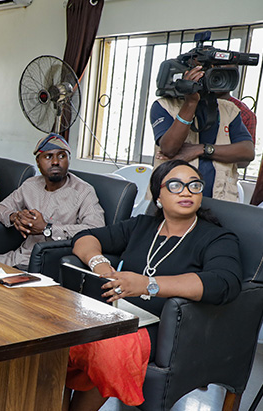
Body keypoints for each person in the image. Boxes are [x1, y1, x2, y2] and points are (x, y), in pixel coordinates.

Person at [65, 159, 242, 410]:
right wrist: (102, 267)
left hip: (167, 327)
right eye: (175, 185)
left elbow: (224, 282)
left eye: (194, 185)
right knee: (57, 338)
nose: (186, 191)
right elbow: (85, 238)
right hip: (118, 313)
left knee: (105, 346)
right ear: (158, 194)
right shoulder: (143, 226)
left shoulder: (216, 237)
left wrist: (150, 285)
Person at [0, 134, 105, 269]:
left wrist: (48, 229)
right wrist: (15, 217)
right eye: (48, 156)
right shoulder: (30, 185)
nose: (56, 162)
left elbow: (96, 229)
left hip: (50, 263)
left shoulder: (83, 191)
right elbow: (0, 208)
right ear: (38, 162)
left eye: (62, 156)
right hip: (19, 257)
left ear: (69, 159)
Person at [151, 65, 254, 202]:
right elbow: (169, 148)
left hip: (220, 199)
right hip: (176, 199)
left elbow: (247, 152)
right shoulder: (164, 106)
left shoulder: (229, 109)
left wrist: (201, 149)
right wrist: (191, 102)